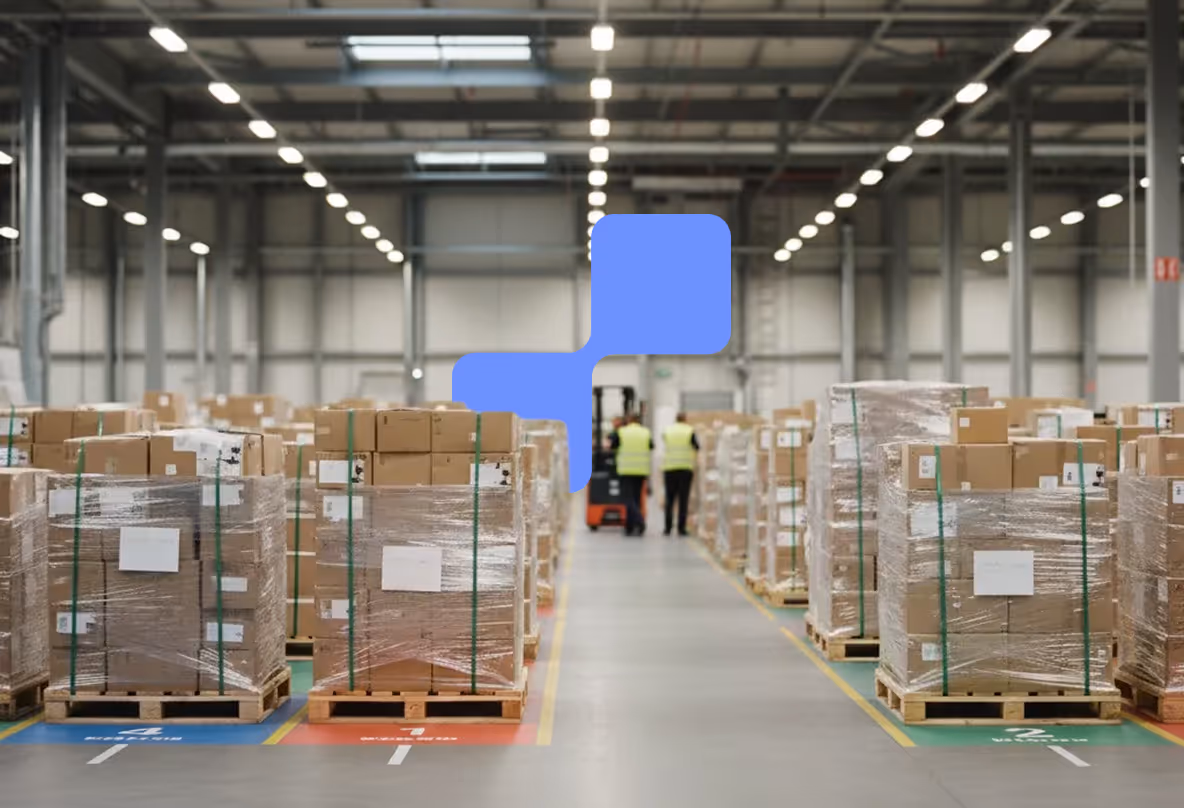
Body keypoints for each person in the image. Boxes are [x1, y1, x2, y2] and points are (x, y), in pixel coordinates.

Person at [610, 414, 653, 536]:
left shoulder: (622, 432)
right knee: (636, 498)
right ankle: (631, 526)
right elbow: (651, 446)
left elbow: (613, 446)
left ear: (629, 420)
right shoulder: (645, 432)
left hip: (626, 469)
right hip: (641, 470)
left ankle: (639, 521)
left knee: (627, 498)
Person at [661, 413, 699, 536]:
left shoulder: (668, 431)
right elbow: (696, 446)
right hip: (685, 469)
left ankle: (667, 528)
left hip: (669, 468)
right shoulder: (689, 431)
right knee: (683, 499)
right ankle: (681, 528)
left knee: (669, 499)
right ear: (685, 420)